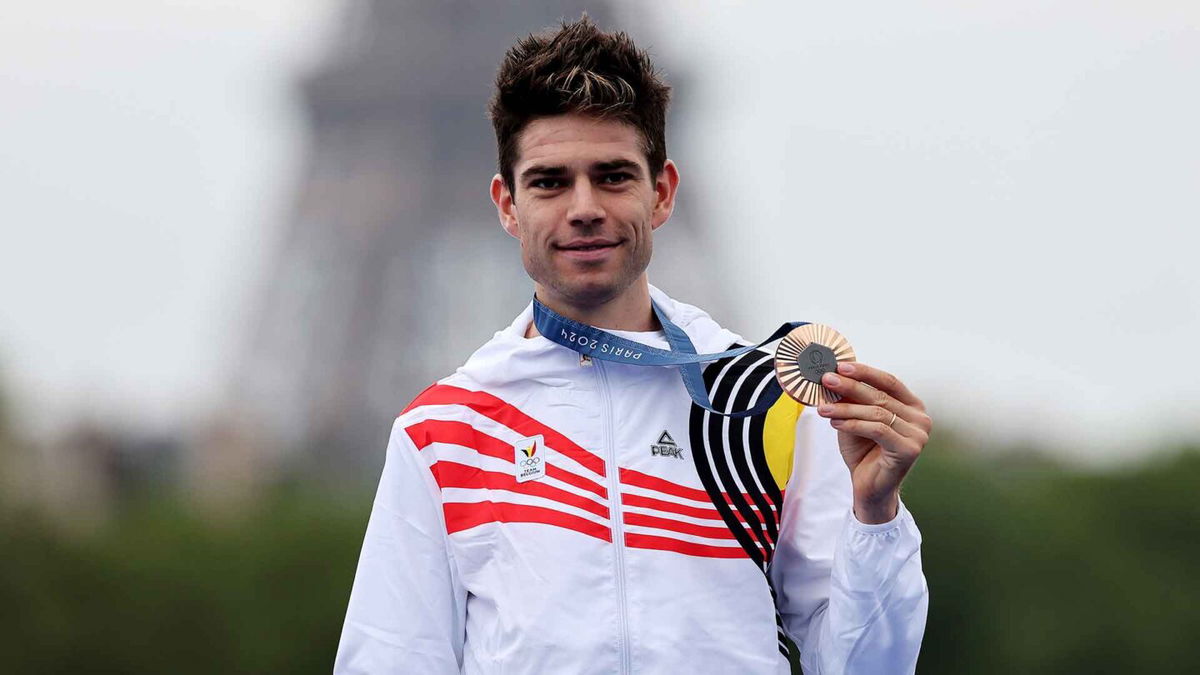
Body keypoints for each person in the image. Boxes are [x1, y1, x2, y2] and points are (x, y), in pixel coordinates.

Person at [335, 16, 930, 675]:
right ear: (507, 204)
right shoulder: (441, 433)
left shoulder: (759, 401)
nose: (584, 205)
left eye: (613, 176)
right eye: (550, 181)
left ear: (663, 193)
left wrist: (876, 515)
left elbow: (866, 667)